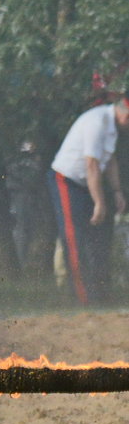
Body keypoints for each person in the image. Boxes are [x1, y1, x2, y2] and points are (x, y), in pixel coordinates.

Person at [48, 94, 129, 305]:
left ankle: (100, 295)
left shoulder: (113, 126)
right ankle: (83, 299)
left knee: (98, 237)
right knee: (74, 238)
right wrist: (100, 202)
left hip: (87, 183)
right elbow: (91, 165)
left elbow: (109, 160)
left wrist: (117, 191)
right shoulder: (97, 122)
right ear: (124, 113)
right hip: (67, 180)